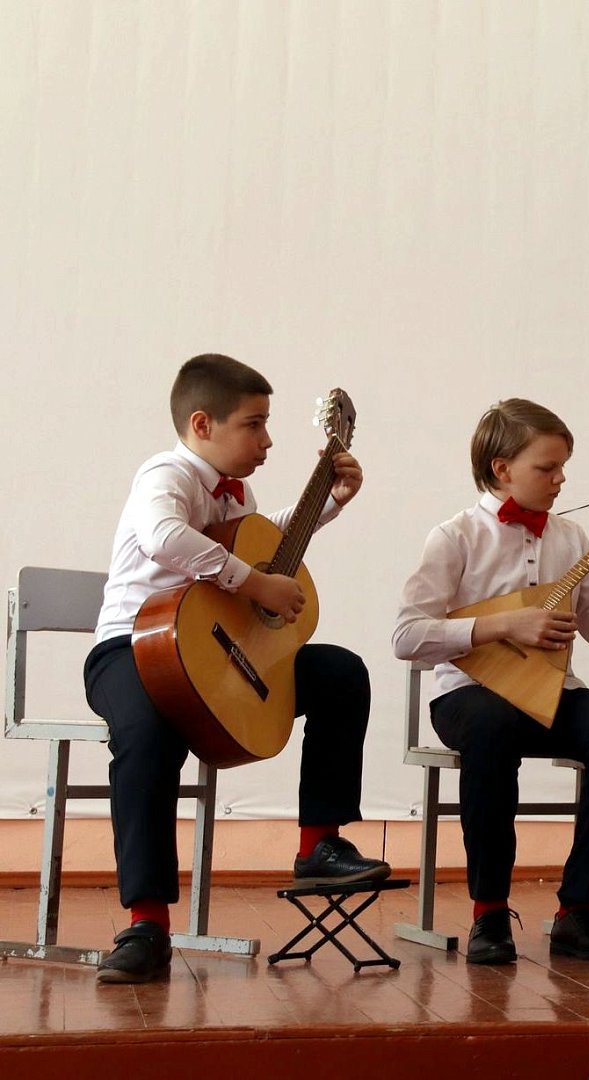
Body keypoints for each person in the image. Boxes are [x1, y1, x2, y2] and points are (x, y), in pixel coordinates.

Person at [86, 353, 387, 984]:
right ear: (202, 424)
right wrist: (254, 583)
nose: (268, 441)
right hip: (132, 648)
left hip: (209, 649)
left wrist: (326, 504)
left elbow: (258, 537)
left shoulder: (239, 493)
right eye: (254, 424)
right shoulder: (164, 473)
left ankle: (317, 844)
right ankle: (146, 925)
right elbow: (164, 536)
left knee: (340, 673)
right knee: (147, 737)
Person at [394, 398, 589, 965]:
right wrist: (503, 625)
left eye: (563, 468)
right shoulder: (455, 536)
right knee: (491, 728)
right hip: (468, 695)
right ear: (502, 468)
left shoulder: (572, 538)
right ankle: (489, 912)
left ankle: (576, 911)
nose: (561, 480)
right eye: (547, 467)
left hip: (553, 692)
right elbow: (406, 637)